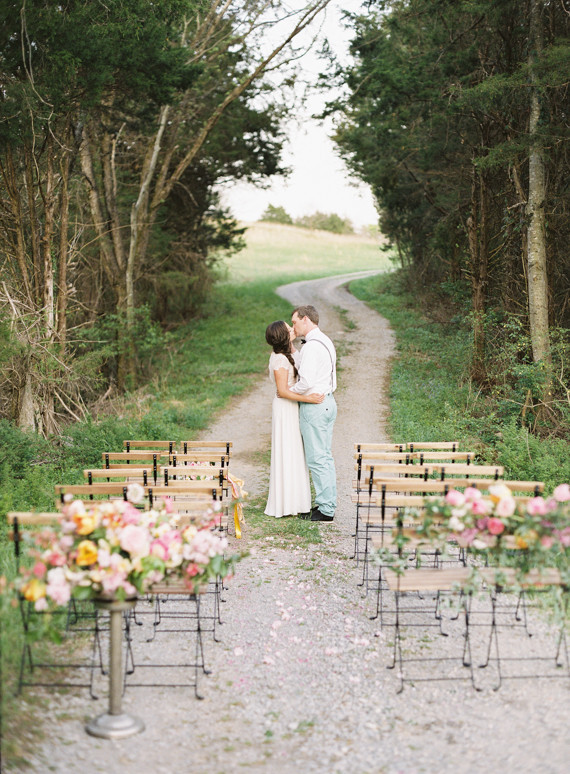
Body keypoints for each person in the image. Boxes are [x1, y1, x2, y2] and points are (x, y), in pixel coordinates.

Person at [264, 321, 324, 518]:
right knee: (287, 451)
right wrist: (309, 399)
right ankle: (285, 503)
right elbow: (282, 391)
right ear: (283, 335)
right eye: (288, 328)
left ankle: (297, 501)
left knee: (296, 452)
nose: (292, 329)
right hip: (285, 408)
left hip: (292, 406)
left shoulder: (291, 353)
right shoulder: (279, 359)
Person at [290, 305, 337, 522]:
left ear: (305, 319)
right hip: (328, 401)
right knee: (324, 456)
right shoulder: (324, 340)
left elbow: (306, 382)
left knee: (317, 458)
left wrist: (287, 392)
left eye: (295, 322)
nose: (294, 327)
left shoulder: (311, 347)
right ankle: (327, 503)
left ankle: (326, 509)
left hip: (315, 406)